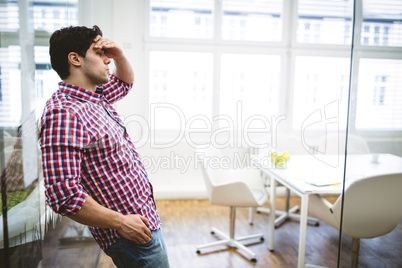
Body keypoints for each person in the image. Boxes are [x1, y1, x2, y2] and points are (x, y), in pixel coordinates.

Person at [39, 25, 169, 268]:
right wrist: (121, 222)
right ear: (75, 59)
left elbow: (125, 82)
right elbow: (64, 196)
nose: (107, 58)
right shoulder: (64, 114)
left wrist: (119, 55)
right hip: (129, 233)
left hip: (142, 221)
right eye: (99, 53)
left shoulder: (94, 96)